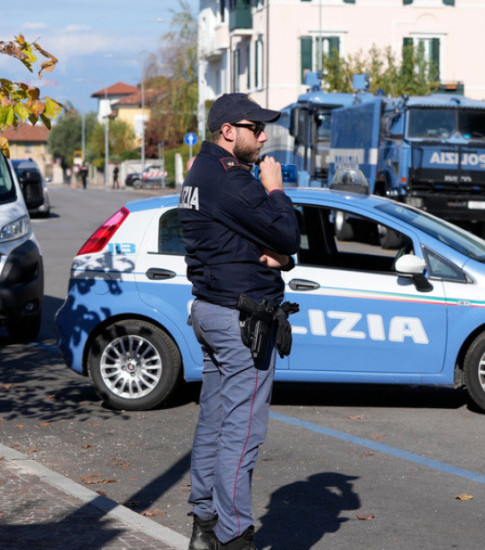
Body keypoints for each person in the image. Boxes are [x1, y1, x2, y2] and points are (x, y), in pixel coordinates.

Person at [179, 93, 300, 550]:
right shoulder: (233, 180)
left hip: (213, 310)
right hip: (240, 319)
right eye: (257, 128)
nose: (264, 136)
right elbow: (286, 233)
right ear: (229, 131)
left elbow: (274, 247)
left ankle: (205, 526)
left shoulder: (200, 171)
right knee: (242, 431)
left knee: (214, 421)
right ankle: (233, 537)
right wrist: (275, 187)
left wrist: (280, 257)